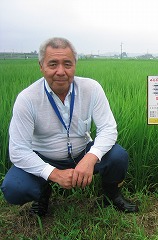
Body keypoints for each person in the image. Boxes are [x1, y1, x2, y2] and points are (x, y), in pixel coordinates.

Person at [1, 37, 138, 216]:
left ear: (75, 65)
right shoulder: (27, 99)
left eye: (67, 64)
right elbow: (18, 150)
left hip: (81, 152)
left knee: (118, 156)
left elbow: (108, 128)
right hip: (44, 156)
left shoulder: (91, 88)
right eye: (52, 64)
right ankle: (42, 194)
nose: (60, 71)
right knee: (14, 188)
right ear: (41, 66)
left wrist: (90, 158)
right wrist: (54, 174)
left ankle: (112, 195)